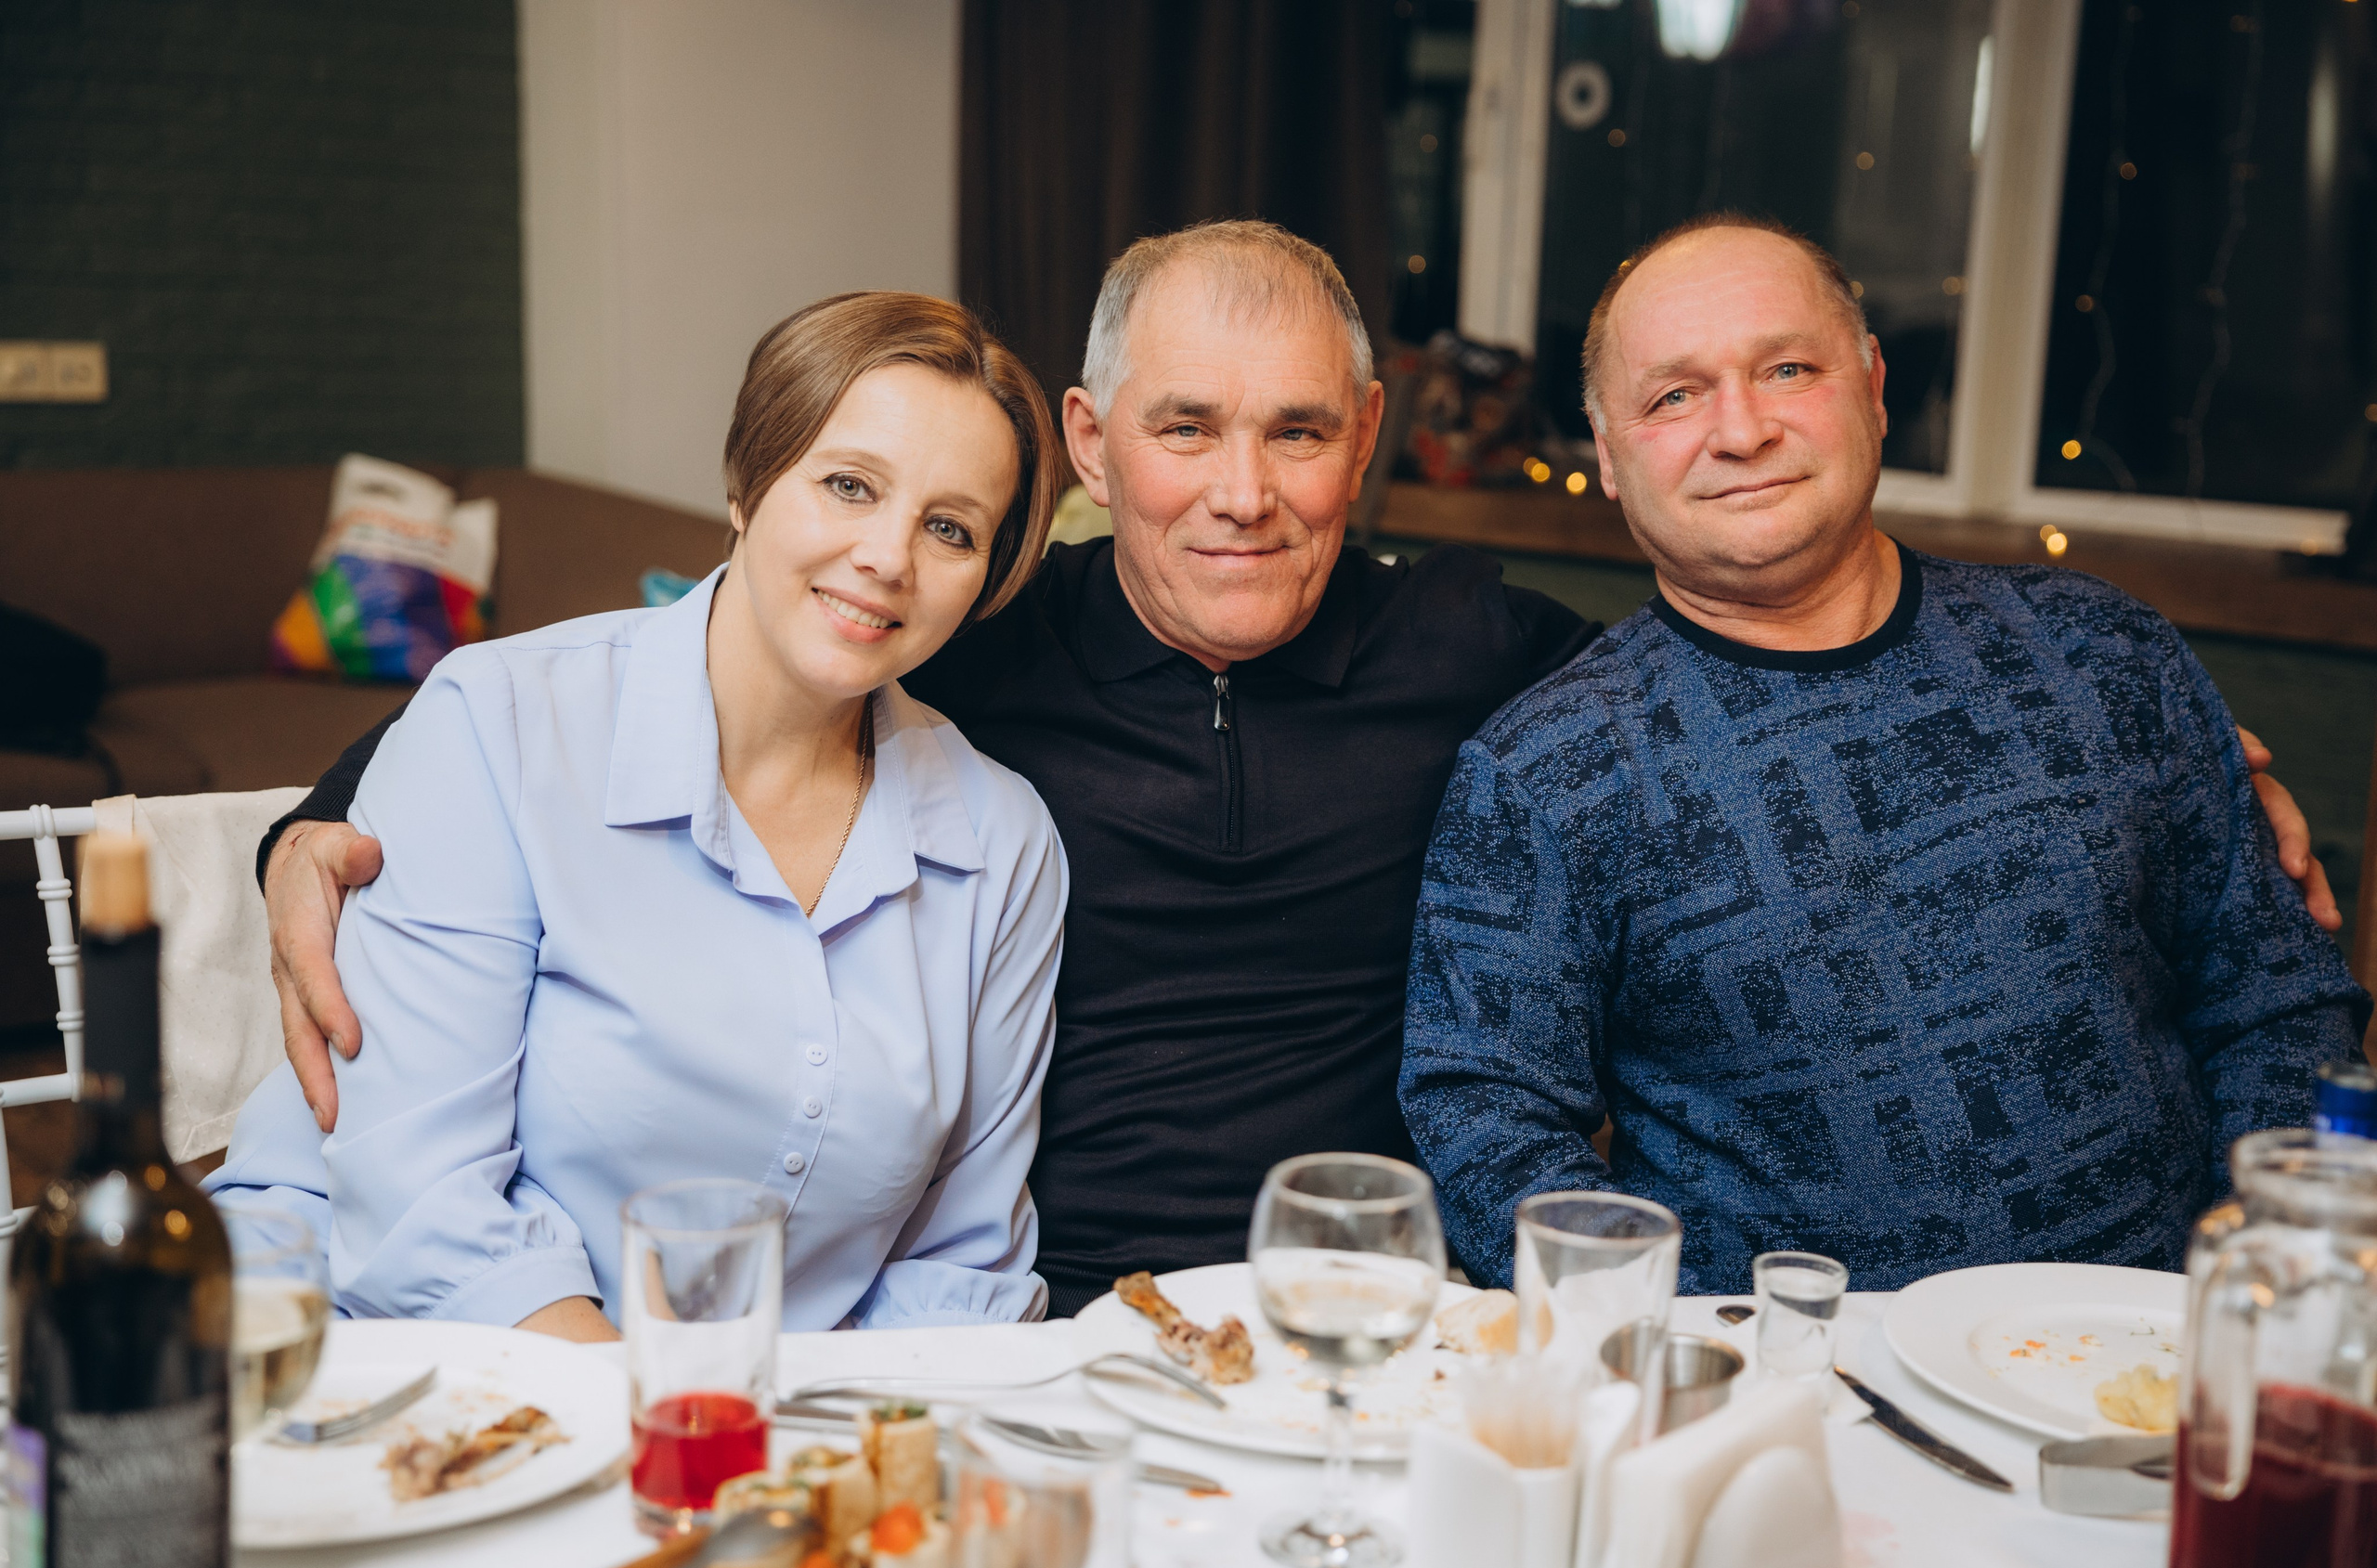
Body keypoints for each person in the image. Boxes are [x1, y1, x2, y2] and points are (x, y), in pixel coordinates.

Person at [252, 222, 2336, 1317]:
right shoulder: (975, 650)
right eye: (1181, 432)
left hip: (1375, 1297)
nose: (1239, 497)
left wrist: (2154, 748)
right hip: (1057, 1305)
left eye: (1299, 435)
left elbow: (1764, 701)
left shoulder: (1504, 674)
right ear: (1086, 451)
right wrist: (303, 825)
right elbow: (640, 691)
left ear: (1368, 441)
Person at [1399, 214, 2373, 1298]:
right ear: (1611, 455)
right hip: (1786, 1398)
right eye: (1674, 396)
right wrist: (1678, 1346)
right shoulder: (1544, 770)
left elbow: (2273, 1001)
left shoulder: (2100, 652)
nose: (1740, 429)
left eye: (1785, 369)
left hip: (2147, 1352)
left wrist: (2255, 1262)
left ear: (1870, 387)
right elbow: (1483, 1116)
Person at [209, 292, 1068, 1337]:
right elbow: (422, 1207)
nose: (889, 557)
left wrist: (821, 1477)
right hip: (355, 1343)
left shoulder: (1004, 843)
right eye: (848, 485)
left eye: (948, 528)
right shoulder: (498, 725)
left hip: (743, 1438)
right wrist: (681, 1440)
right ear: (747, 485)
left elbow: (961, 1271)